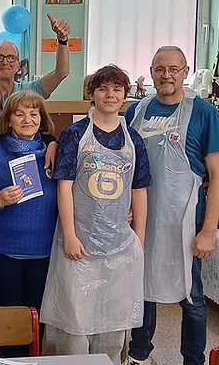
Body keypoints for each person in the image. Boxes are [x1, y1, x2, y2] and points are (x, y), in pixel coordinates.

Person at [41, 64, 150, 361]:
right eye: (103, 88)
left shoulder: (133, 140)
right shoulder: (75, 135)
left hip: (119, 245)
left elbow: (139, 190)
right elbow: (64, 187)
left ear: (125, 95)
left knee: (113, 324)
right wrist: (70, 235)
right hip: (79, 244)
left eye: (117, 89)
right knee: (75, 322)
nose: (110, 94)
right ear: (92, 94)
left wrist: (138, 238)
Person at [124, 46, 219, 365]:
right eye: (159, 69)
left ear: (185, 71)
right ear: (151, 72)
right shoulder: (136, 111)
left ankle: (192, 360)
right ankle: (140, 354)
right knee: (143, 289)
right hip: (141, 219)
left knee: (191, 297)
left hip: (183, 223)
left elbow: (217, 175)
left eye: (173, 69)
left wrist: (208, 230)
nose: (166, 75)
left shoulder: (203, 113)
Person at [0, 90, 58, 357]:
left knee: (36, 310)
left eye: (34, 113)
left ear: (41, 120)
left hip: (43, 248)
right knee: (10, 310)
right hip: (3, 249)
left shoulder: (55, 152)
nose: (27, 119)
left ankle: (32, 360)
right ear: (8, 120)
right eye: (19, 114)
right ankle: (10, 361)